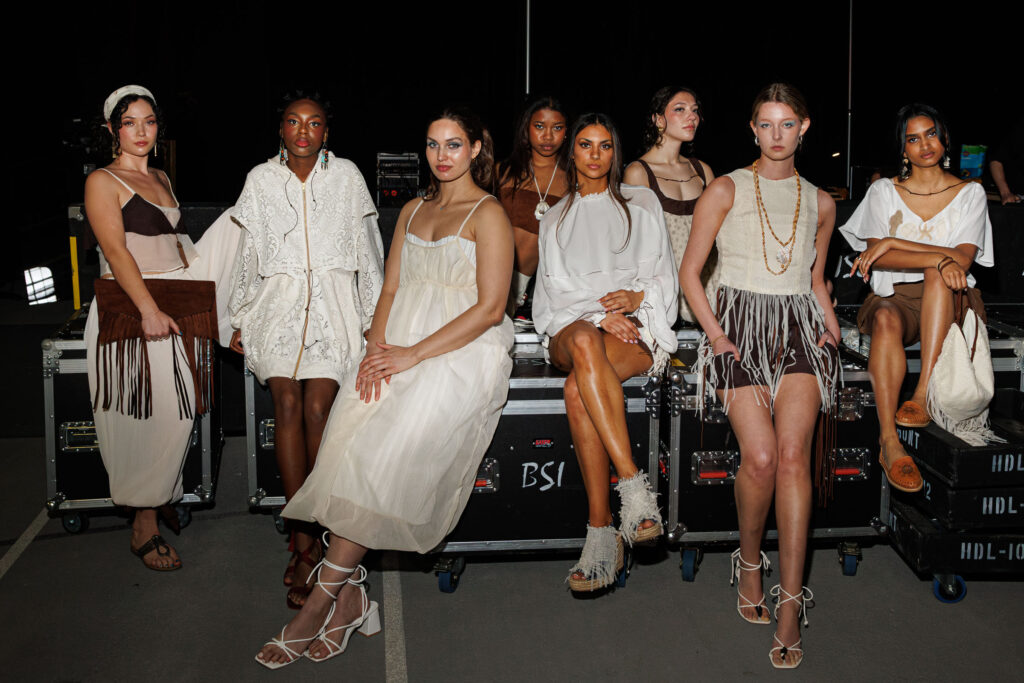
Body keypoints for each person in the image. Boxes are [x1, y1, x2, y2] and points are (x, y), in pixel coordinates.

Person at [255, 107, 513, 668]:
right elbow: (390, 290)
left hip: (461, 351)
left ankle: (320, 603)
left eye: (453, 144)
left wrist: (410, 356)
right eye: (431, 144)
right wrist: (374, 352)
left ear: (475, 150)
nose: (441, 155)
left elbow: (491, 309)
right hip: (396, 345)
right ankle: (350, 598)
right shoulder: (415, 209)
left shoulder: (488, 213)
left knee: (379, 457)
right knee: (348, 448)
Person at [679, 83, 839, 669]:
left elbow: (817, 278)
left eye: (787, 123)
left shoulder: (821, 202)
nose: (777, 134)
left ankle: (792, 603)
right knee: (764, 459)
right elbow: (690, 273)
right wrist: (718, 337)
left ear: (804, 128)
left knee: (795, 456)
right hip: (738, 325)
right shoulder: (725, 188)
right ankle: (749, 559)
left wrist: (829, 325)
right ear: (752, 130)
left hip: (800, 328)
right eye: (766, 124)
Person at [228, 92, 385, 609]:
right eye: (294, 122)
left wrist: (371, 323)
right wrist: (238, 315)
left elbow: (368, 251)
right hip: (276, 308)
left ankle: (321, 530)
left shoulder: (347, 177)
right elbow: (249, 255)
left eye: (314, 123)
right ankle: (300, 535)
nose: (303, 131)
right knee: (287, 404)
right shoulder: (260, 180)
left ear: (326, 133)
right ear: (281, 129)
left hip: (334, 312)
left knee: (320, 408)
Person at [84, 85, 238, 571]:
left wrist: (214, 307)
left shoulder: (163, 177)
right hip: (135, 307)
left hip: (173, 297)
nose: (141, 131)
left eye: (149, 121)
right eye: (130, 122)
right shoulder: (102, 181)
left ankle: (159, 492)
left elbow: (180, 245)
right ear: (113, 130)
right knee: (146, 416)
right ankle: (143, 523)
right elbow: (117, 253)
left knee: (179, 412)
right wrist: (149, 310)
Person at [532, 113, 678, 592]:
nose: (595, 154)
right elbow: (550, 303)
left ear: (615, 153)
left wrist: (638, 301)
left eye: (604, 146)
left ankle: (601, 534)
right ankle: (634, 488)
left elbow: (663, 275)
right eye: (585, 145)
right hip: (566, 331)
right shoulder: (554, 217)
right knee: (581, 338)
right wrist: (597, 315)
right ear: (571, 153)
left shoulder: (642, 203)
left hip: (631, 331)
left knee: (579, 388)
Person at [840, 103, 995, 489]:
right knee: (886, 318)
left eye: (930, 134)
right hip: (897, 297)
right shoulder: (883, 191)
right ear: (903, 149)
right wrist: (913, 250)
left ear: (943, 139)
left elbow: (962, 259)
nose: (924, 144)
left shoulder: (970, 193)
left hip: (952, 298)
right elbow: (880, 256)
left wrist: (903, 245)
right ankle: (889, 441)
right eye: (913, 138)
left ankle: (921, 394)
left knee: (938, 272)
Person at [624, 86, 716, 321]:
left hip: (709, 289)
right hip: (666, 292)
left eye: (694, 110)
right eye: (680, 109)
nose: (692, 116)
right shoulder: (638, 173)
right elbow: (637, 248)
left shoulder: (703, 170)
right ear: (658, 119)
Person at [497, 96, 570, 320]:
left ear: (567, 132)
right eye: (539, 126)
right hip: (496, 276)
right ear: (526, 129)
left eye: (557, 128)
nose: (548, 136)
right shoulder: (503, 171)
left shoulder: (575, 178)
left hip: (548, 287)